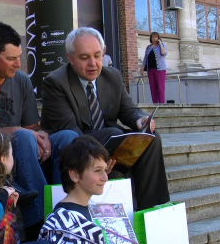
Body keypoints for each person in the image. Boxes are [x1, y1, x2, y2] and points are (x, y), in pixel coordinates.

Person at [40, 27, 170, 211]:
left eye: (97, 55)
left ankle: (152, 211)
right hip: (72, 143)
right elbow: (70, 130)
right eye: (84, 57)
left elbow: (128, 109)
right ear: (71, 58)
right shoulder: (55, 82)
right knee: (114, 136)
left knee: (151, 138)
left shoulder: (112, 76)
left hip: (107, 137)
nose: (93, 63)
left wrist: (141, 120)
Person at [0, 22, 78, 241]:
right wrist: (18, 131)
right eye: (11, 59)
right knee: (22, 136)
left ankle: (68, 212)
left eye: (19, 57)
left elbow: (32, 126)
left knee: (68, 137)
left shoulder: (21, 80)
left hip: (25, 149)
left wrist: (42, 137)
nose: (18, 64)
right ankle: (40, 222)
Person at [38, 136, 116, 243]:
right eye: (97, 170)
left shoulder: (86, 211)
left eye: (105, 170)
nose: (105, 178)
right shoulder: (64, 224)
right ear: (74, 175)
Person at [140, 32, 167, 104]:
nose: (154, 38)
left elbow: (164, 53)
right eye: (153, 37)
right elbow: (145, 59)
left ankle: (162, 104)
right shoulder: (148, 47)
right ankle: (155, 103)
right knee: (153, 88)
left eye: (155, 37)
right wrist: (142, 69)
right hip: (150, 70)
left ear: (158, 38)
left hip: (160, 69)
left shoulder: (161, 45)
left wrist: (160, 44)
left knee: (160, 88)